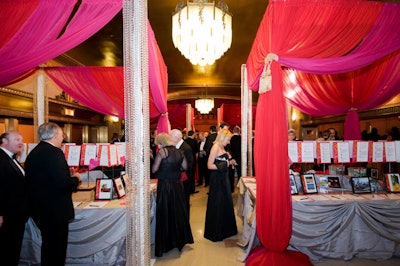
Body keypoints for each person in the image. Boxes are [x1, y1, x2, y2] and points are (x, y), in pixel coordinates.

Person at [25, 122, 82, 266]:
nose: (63, 138)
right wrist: (76, 179)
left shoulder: (34, 152)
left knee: (49, 246)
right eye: (62, 134)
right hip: (55, 210)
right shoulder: (54, 152)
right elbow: (62, 183)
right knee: (57, 249)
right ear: (56, 135)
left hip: (41, 208)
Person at [152, 133, 194, 257]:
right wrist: (175, 171)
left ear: (161, 142)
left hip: (165, 186)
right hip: (177, 185)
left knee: (165, 212)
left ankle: (166, 243)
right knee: (177, 212)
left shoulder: (162, 153)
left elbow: (154, 169)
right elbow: (185, 167)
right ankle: (179, 241)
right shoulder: (180, 152)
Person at [0, 131, 29, 266]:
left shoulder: (11, 158)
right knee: (7, 250)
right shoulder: (1, 159)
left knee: (13, 249)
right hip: (7, 214)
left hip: (16, 213)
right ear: (4, 142)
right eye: (17, 139)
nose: (21, 142)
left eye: (21, 139)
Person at [204, 129, 237, 242]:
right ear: (223, 138)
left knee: (225, 203)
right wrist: (227, 163)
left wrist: (230, 160)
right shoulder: (215, 147)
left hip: (224, 179)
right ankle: (217, 231)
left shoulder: (222, 147)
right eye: (228, 139)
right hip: (217, 180)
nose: (229, 142)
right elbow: (209, 165)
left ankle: (226, 230)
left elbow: (222, 160)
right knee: (218, 203)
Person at [170, 129, 193, 217]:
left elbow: (189, 165)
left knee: (184, 200)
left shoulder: (186, 148)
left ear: (177, 138)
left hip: (184, 179)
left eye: (170, 137)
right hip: (178, 179)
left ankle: (185, 220)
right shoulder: (176, 147)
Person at [228, 126, 241, 192]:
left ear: (233, 131)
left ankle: (231, 188)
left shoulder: (230, 139)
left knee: (231, 174)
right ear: (239, 131)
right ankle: (240, 188)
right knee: (240, 174)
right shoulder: (241, 139)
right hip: (239, 158)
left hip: (232, 158)